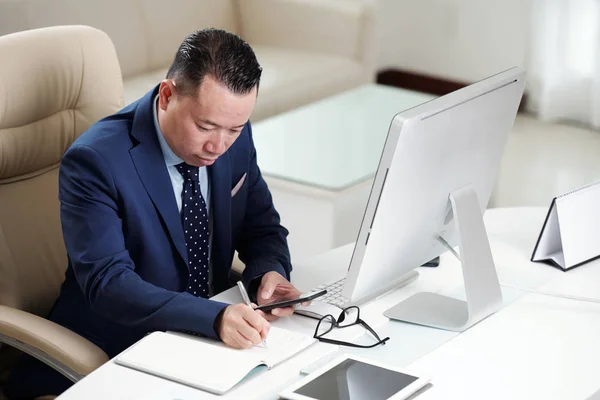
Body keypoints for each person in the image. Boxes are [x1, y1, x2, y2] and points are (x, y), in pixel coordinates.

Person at [5, 28, 303, 399]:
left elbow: (262, 227)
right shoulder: (96, 161)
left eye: (234, 129)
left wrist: (269, 273)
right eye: (205, 127)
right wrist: (211, 318)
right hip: (114, 352)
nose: (218, 146)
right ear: (167, 95)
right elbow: (108, 283)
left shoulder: (231, 136)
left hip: (206, 350)